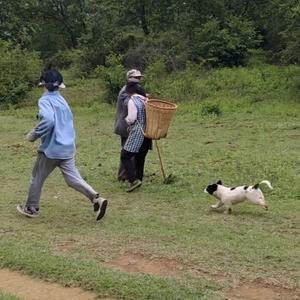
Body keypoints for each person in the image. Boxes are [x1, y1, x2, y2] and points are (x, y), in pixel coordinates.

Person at [17, 68, 108, 221]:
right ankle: (96, 198)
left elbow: (48, 120)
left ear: (43, 85)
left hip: (51, 150)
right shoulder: (62, 100)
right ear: (60, 86)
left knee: (37, 178)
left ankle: (31, 208)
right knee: (73, 178)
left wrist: (34, 134)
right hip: (67, 147)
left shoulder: (45, 100)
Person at [114, 69, 145, 181]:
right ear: (129, 78)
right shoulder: (126, 91)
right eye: (135, 77)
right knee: (127, 151)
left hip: (130, 125)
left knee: (128, 151)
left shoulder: (134, 90)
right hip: (125, 125)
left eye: (138, 77)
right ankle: (123, 175)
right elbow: (129, 103)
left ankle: (128, 175)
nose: (137, 80)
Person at [120, 81, 152, 192]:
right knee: (140, 157)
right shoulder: (146, 100)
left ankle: (133, 180)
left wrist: (126, 120)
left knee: (125, 156)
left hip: (138, 132)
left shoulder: (132, 101)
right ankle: (139, 178)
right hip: (148, 133)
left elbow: (132, 118)